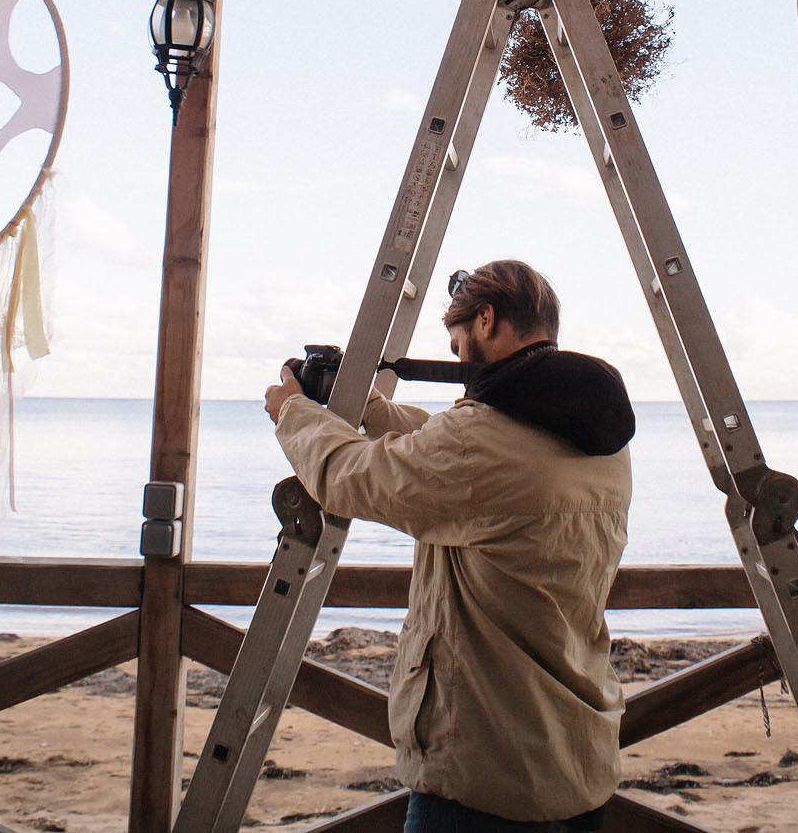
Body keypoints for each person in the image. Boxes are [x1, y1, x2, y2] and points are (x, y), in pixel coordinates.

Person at [266, 259, 635, 832]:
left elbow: (353, 476)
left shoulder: (478, 445)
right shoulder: (599, 433)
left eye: (459, 346)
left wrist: (292, 412)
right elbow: (454, 451)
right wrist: (363, 408)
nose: (460, 361)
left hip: (484, 770)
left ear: (486, 319)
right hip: (576, 754)